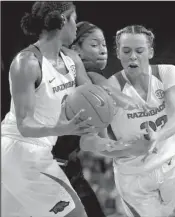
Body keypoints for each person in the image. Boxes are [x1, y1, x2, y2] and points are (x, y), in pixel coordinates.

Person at [80, 25, 175, 217]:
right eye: (126, 51)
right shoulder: (109, 90)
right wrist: (128, 148)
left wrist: (156, 137)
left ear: (150, 51)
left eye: (139, 50)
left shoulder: (167, 73)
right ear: (118, 53)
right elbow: (90, 142)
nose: (133, 56)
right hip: (134, 178)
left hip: (171, 166)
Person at [1, 2, 98, 217]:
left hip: (36, 152)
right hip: (20, 150)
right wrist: (61, 128)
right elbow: (24, 125)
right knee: (76, 214)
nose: (77, 26)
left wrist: (112, 97)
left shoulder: (71, 59)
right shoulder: (26, 62)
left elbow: (90, 94)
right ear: (62, 20)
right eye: (75, 19)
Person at [52, 21, 108, 217]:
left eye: (104, 45)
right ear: (76, 50)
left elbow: (95, 142)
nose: (103, 51)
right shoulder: (60, 76)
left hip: (69, 168)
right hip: (42, 169)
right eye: (94, 45)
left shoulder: (93, 81)